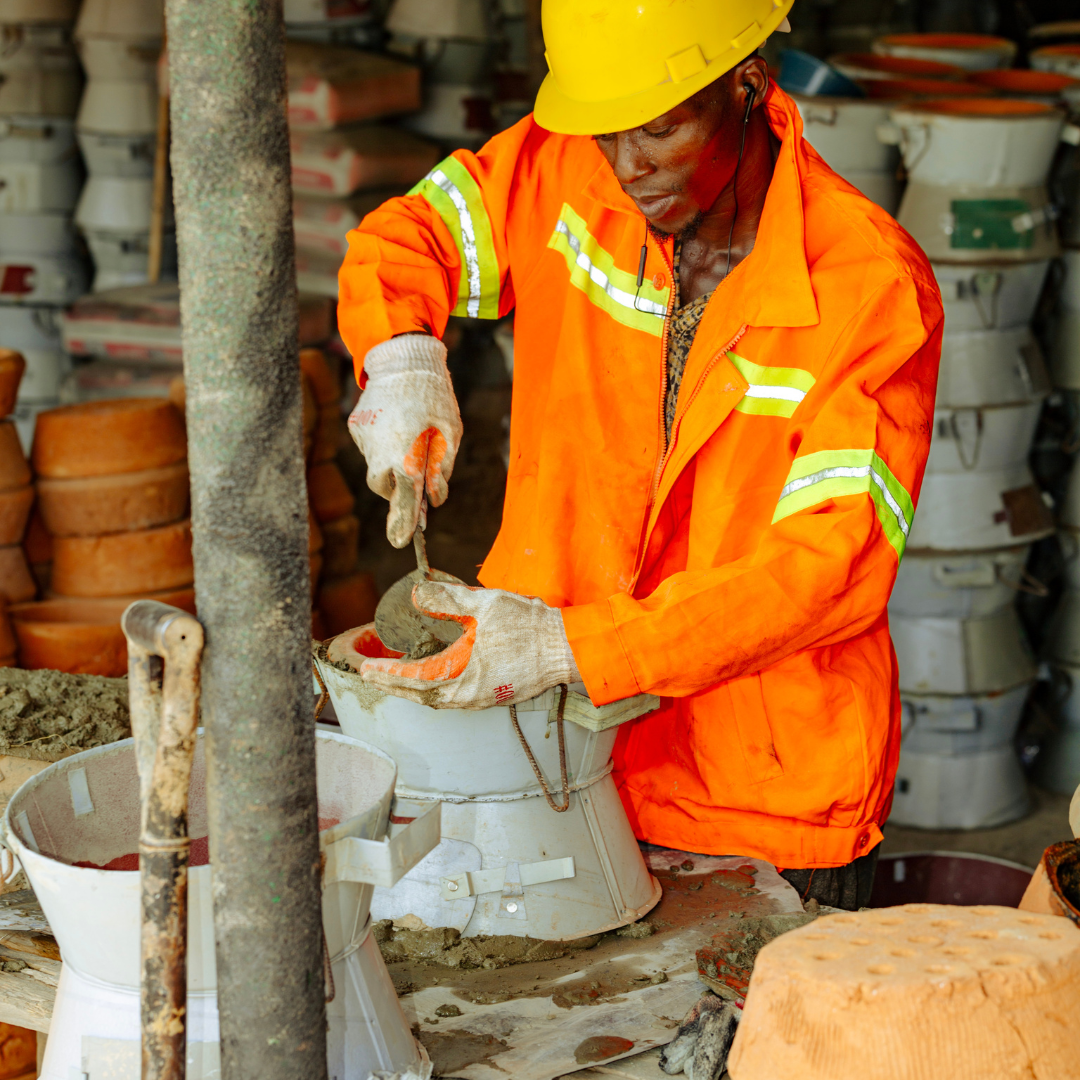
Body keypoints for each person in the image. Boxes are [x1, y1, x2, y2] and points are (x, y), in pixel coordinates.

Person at [338, 0, 942, 917]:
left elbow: (830, 568)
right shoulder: (562, 172)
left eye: (660, 127)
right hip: (554, 754)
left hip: (753, 796)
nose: (628, 164)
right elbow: (406, 239)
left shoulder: (866, 288)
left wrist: (569, 647)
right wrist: (402, 359)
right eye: (607, 129)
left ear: (747, 83)